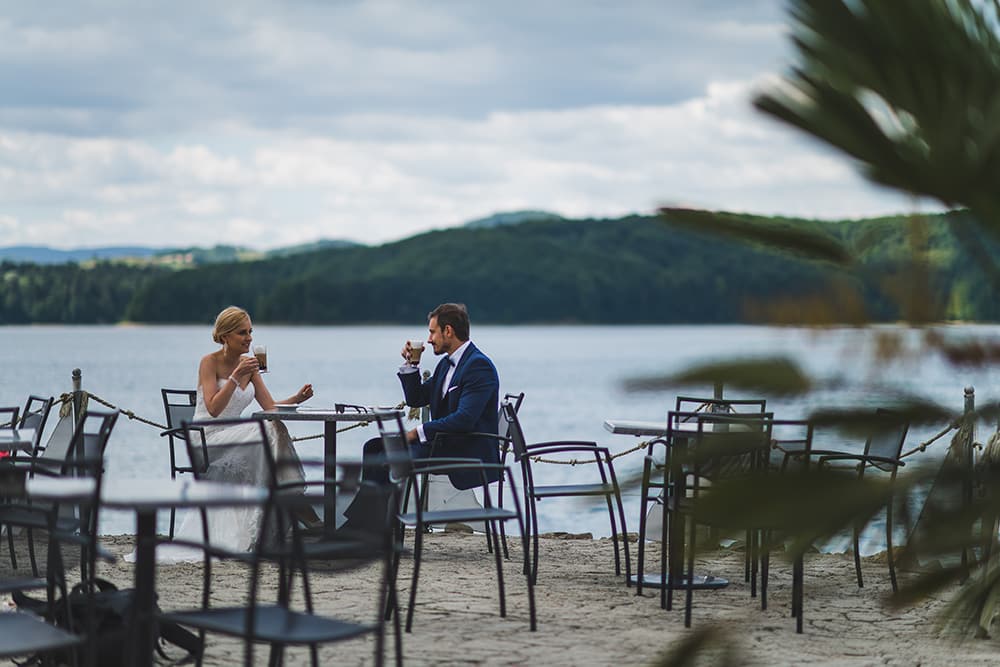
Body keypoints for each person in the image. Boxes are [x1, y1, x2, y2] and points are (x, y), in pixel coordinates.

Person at [129, 306, 317, 563]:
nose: (249, 338)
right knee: (267, 428)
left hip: (236, 436)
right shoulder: (209, 362)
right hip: (207, 438)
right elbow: (214, 408)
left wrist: (298, 398)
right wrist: (235, 377)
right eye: (242, 333)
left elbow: (269, 408)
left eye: (250, 331)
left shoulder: (250, 366)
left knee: (273, 424)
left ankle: (283, 500)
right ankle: (292, 499)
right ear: (226, 336)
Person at [343, 303, 501, 528]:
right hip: (444, 444)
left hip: (465, 450)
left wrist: (416, 433)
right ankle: (367, 524)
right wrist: (411, 364)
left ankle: (364, 527)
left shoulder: (478, 366)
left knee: (388, 456)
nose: (428, 340)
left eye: (432, 332)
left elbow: (465, 418)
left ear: (448, 331)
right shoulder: (446, 365)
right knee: (374, 447)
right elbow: (416, 398)